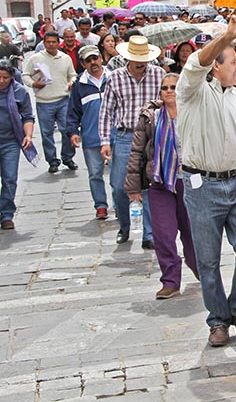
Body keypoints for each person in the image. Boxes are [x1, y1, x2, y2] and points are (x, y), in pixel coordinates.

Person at [176, 11, 236, 347]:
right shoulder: (192, 90)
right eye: (232, 62)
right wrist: (226, 36)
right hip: (203, 186)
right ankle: (218, 320)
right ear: (216, 66)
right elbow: (198, 61)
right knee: (208, 260)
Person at [125, 73, 198, 299]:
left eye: (174, 87)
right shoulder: (151, 117)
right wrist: (133, 187)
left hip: (189, 182)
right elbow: (137, 151)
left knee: (193, 234)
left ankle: (202, 270)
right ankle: (170, 281)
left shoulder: (194, 112)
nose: (169, 91)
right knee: (163, 234)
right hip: (159, 182)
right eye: (165, 87)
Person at [99, 35, 165, 247]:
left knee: (149, 183)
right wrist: (104, 141)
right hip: (125, 134)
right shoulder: (115, 77)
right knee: (119, 185)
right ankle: (125, 226)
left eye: (144, 59)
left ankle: (149, 234)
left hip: (151, 135)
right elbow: (106, 111)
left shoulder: (158, 75)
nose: (141, 63)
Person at [22, 31, 78, 173]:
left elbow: (73, 74)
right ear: (44, 43)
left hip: (63, 99)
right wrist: (34, 84)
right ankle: (52, 161)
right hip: (44, 101)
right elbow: (25, 75)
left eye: (54, 42)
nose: (51, 44)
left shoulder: (65, 58)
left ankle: (67, 157)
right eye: (48, 42)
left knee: (67, 130)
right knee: (47, 133)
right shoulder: (36, 58)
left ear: (58, 43)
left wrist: (72, 82)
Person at [66, 46, 109, 220]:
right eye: (88, 60)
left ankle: (121, 204)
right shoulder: (79, 84)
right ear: (83, 64)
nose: (93, 63)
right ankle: (100, 206)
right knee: (95, 174)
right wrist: (73, 131)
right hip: (91, 137)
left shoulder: (114, 78)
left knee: (118, 175)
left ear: (101, 58)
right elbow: (73, 111)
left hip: (115, 135)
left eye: (95, 58)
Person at [0, 60, 35, 230]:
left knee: (9, 178)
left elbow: (27, 116)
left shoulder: (19, 92)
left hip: (10, 142)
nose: (1, 81)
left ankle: (6, 214)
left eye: (5, 77)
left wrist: (28, 135)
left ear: (12, 77)